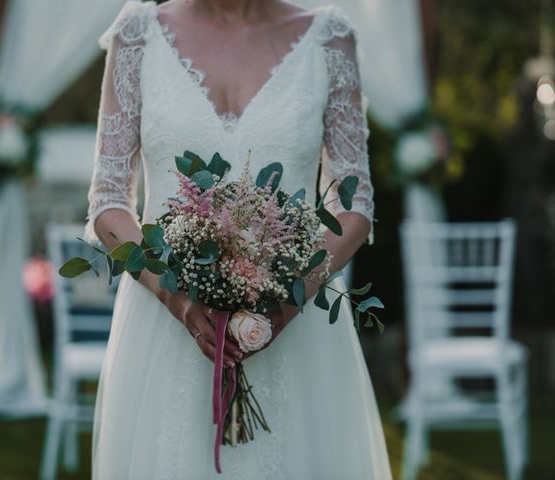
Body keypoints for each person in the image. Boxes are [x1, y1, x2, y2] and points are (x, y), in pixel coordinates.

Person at [84, 0, 392, 477]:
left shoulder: (328, 39)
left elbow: (354, 206)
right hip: (164, 327)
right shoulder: (138, 34)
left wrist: (288, 300)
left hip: (298, 328)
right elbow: (108, 199)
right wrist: (176, 296)